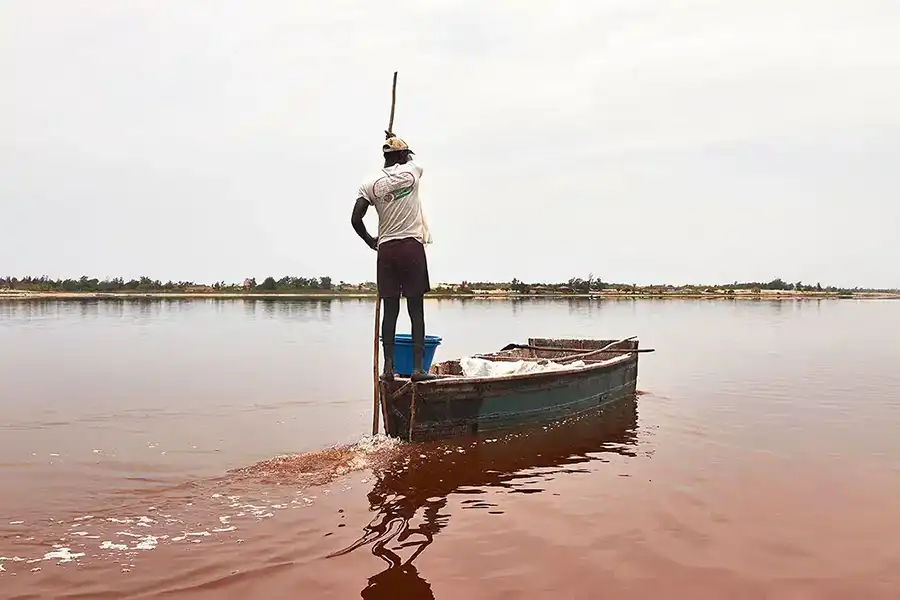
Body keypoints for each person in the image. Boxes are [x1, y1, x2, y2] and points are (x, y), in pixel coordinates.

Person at [351, 132, 436, 382]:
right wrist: (398, 140)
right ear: (401, 155)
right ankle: (418, 370)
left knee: (390, 311)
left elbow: (356, 220)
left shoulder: (369, 184)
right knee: (415, 309)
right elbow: (409, 159)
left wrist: (371, 242)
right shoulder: (413, 171)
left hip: (386, 250)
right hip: (411, 247)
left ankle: (388, 369)